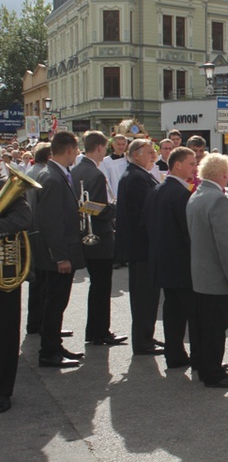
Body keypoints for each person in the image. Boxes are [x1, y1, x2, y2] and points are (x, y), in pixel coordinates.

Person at [187, 154, 228, 388]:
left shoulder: (197, 195)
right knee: (216, 326)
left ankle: (206, 365)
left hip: (201, 273)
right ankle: (213, 372)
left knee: (205, 325)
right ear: (224, 174)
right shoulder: (218, 200)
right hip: (216, 275)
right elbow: (225, 244)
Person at [146, 147, 204, 370]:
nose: (195, 168)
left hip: (164, 263)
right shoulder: (181, 194)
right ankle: (199, 360)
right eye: (191, 163)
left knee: (173, 312)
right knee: (193, 314)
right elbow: (189, 233)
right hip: (182, 265)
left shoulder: (156, 190)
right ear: (177, 165)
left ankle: (175, 355)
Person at [70, 131, 128, 346]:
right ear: (101, 148)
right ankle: (100, 331)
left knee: (97, 286)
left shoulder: (76, 170)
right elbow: (90, 206)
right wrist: (112, 211)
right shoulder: (94, 174)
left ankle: (93, 331)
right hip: (99, 237)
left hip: (88, 234)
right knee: (102, 287)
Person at [34, 131, 86, 368]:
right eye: (76, 150)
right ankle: (49, 352)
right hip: (58, 255)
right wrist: (61, 257)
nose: (77, 154)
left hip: (58, 252)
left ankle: (54, 346)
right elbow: (51, 222)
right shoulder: (53, 178)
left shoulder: (56, 174)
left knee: (56, 302)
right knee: (55, 303)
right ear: (68, 150)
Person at [115, 139, 163, 355]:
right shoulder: (136, 177)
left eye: (153, 152)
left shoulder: (138, 174)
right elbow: (147, 212)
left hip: (143, 247)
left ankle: (147, 337)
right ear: (136, 154)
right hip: (142, 247)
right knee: (144, 297)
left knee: (149, 296)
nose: (153, 155)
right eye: (149, 152)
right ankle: (143, 342)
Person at [0, 165, 33, 412]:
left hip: (5, 275)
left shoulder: (5, 185)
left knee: (6, 333)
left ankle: (3, 392)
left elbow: (24, 217)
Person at [25, 143, 52, 335]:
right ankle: (40, 322)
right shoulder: (43, 173)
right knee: (42, 281)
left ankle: (35, 322)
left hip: (32, 229)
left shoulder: (33, 170)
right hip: (38, 230)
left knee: (37, 281)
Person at [100, 134, 128, 202]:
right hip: (114, 196)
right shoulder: (105, 161)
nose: (121, 147)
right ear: (113, 145)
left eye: (123, 144)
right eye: (118, 144)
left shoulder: (128, 160)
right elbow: (106, 181)